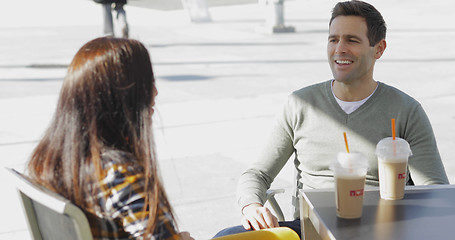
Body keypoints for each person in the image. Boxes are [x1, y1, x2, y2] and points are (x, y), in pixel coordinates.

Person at [214, 0, 449, 238]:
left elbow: (435, 192)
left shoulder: (406, 110)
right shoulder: (299, 104)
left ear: (378, 49)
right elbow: (257, 174)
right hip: (310, 230)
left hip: (381, 230)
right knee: (224, 237)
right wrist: (251, 205)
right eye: (333, 39)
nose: (339, 49)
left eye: (352, 40)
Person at [26, 37, 193, 240]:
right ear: (121, 98)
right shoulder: (119, 174)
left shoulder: (48, 160)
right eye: (147, 84)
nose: (155, 92)